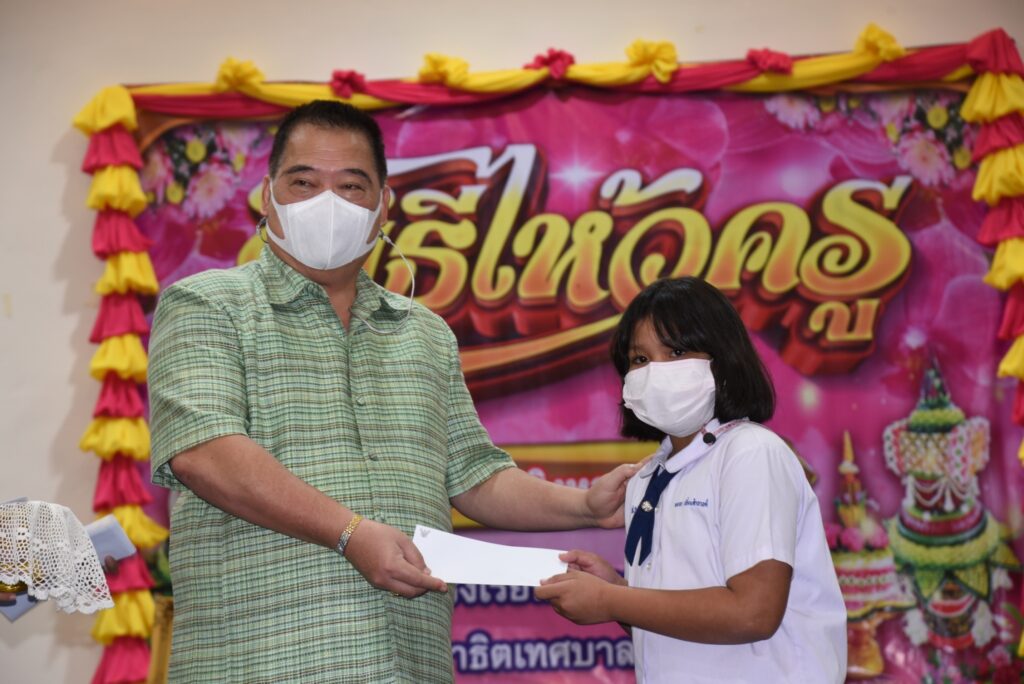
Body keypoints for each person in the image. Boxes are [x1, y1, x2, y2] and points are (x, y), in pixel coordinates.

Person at [148, 100, 638, 683]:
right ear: (267, 195)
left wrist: (584, 506)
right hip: (260, 663)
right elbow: (205, 453)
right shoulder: (207, 305)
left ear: (383, 204)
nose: (326, 202)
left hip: (409, 663)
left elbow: (473, 475)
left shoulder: (422, 331)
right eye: (303, 182)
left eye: (350, 186)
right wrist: (350, 534)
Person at [535, 277, 847, 683]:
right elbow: (672, 630)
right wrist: (616, 590)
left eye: (677, 352)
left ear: (723, 357)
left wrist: (613, 600)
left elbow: (753, 613)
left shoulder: (750, 452)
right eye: (640, 359)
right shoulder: (648, 477)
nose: (656, 372)